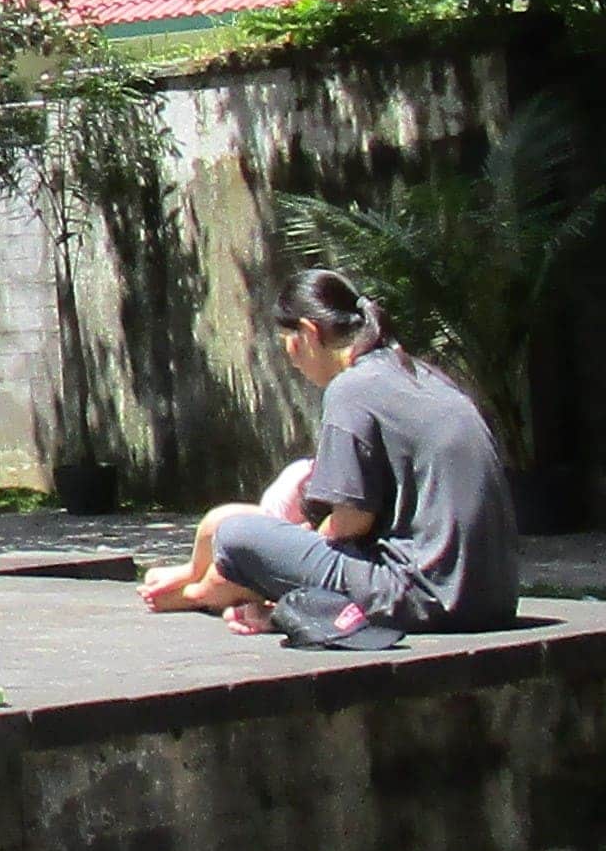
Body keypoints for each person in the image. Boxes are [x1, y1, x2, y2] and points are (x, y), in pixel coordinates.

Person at [144, 268, 524, 646]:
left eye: (286, 342)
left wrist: (297, 547)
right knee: (257, 535)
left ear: (309, 333)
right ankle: (218, 588)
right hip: (495, 599)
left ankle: (198, 595)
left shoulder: (351, 388)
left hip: (424, 597)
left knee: (234, 534)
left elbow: (350, 522)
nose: (291, 360)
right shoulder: (424, 376)